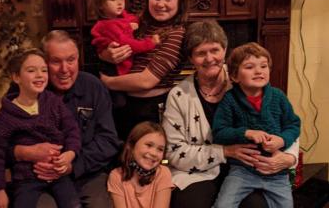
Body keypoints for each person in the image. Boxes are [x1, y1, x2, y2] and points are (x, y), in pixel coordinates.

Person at [161, 20, 300, 208]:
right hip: (198, 172)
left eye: (215, 50)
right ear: (191, 58)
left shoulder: (248, 77)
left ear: (224, 50)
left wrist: (289, 158)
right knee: (190, 204)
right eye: (201, 53)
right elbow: (174, 152)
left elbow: (287, 124)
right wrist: (224, 152)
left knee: (257, 206)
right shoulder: (179, 96)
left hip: (252, 169)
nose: (210, 58)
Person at [11, 30, 121, 208]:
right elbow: (2, 142)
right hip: (37, 176)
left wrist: (72, 166)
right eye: (55, 61)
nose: (64, 69)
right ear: (43, 62)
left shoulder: (93, 87)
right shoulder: (24, 89)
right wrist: (25, 152)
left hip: (86, 173)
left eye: (71, 60)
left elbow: (108, 140)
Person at [100, 0, 188, 140]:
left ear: (180, 2)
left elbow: (146, 81)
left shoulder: (177, 34)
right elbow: (107, 40)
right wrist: (107, 54)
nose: (160, 4)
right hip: (123, 104)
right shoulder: (137, 23)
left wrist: (106, 82)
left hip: (151, 110)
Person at [0, 48, 81, 208]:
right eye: (31, 70)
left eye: (44, 70)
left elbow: (72, 130)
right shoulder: (5, 117)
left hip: (58, 174)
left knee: (73, 204)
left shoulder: (53, 102)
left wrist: (70, 154)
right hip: (26, 180)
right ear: (16, 77)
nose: (39, 75)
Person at [212, 42, 300, 208]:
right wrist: (245, 133)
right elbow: (219, 132)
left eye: (263, 66)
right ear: (234, 76)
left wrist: (282, 141)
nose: (259, 71)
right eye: (250, 66)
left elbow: (293, 125)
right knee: (224, 204)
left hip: (277, 173)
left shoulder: (278, 97)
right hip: (243, 171)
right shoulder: (230, 100)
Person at [89, 0, 160, 76]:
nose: (120, 3)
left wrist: (130, 25)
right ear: (100, 4)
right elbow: (129, 45)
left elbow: (132, 18)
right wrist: (150, 43)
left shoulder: (119, 16)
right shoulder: (107, 26)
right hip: (116, 70)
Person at [107, 121, 174, 208]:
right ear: (132, 146)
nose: (154, 153)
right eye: (149, 145)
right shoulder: (116, 176)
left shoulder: (163, 173)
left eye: (160, 149)